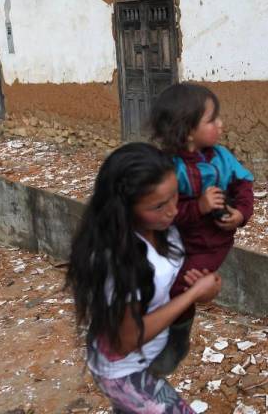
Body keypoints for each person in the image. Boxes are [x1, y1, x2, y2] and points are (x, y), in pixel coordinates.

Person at [66, 142, 222, 413]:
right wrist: (193, 295)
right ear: (124, 208)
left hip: (151, 357)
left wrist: (203, 285)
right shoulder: (120, 260)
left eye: (175, 195)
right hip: (123, 371)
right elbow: (127, 339)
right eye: (158, 205)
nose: (173, 210)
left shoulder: (163, 227)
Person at [147, 83, 254, 374]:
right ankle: (153, 334)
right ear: (188, 130)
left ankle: (176, 341)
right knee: (155, 282)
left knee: (181, 286)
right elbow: (164, 214)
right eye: (212, 119)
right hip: (174, 237)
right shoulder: (169, 167)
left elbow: (244, 184)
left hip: (210, 244)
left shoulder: (222, 158)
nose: (221, 124)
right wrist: (198, 207)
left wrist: (240, 214)